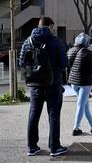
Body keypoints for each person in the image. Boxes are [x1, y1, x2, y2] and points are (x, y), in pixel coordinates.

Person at [19, 16, 68, 156]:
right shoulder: (56, 41)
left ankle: (32, 147)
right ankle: (54, 147)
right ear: (50, 26)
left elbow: (21, 63)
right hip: (53, 83)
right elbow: (64, 63)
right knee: (53, 114)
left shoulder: (27, 42)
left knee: (33, 114)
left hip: (34, 83)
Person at [67, 33, 92, 136]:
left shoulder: (70, 51)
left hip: (73, 81)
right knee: (81, 105)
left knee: (84, 104)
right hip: (85, 82)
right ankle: (76, 128)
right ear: (86, 42)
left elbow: (69, 66)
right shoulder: (87, 53)